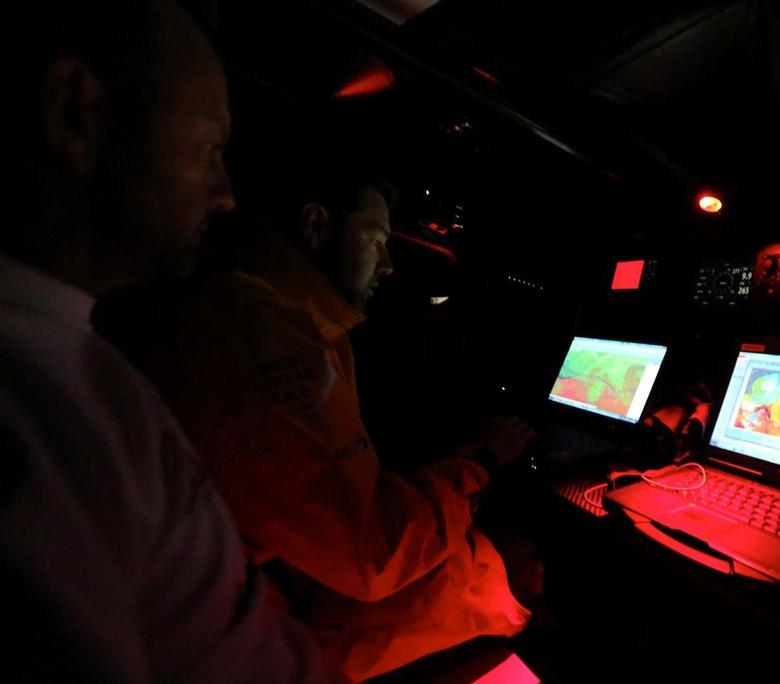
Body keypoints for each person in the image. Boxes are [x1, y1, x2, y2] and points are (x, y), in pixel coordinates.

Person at [0, 2, 339, 681]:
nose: (226, 194)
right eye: (210, 147)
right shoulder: (33, 420)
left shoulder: (72, 359)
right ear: (75, 114)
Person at [101, 172, 537, 681]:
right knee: (509, 576)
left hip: (205, 590)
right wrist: (478, 465)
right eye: (375, 239)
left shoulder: (271, 312)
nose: (389, 263)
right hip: (196, 626)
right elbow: (373, 553)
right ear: (315, 225)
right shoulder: (263, 337)